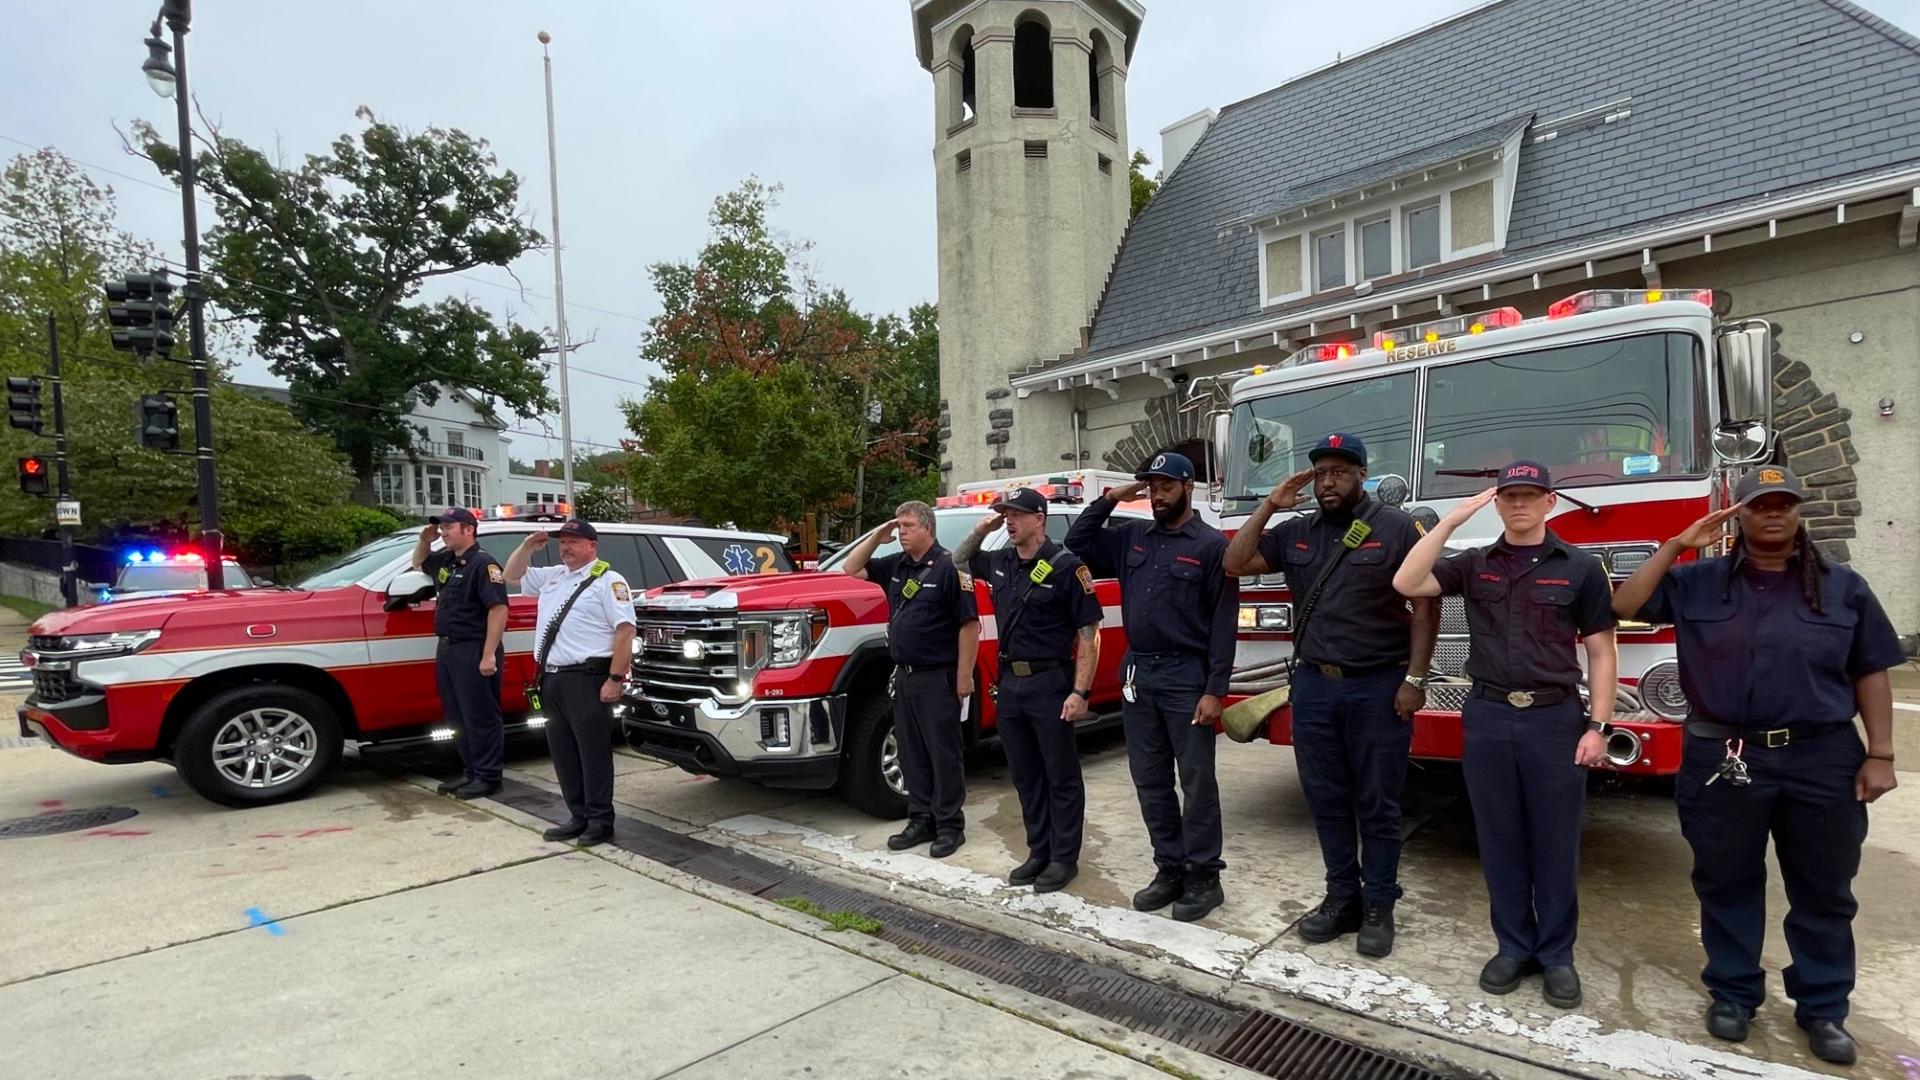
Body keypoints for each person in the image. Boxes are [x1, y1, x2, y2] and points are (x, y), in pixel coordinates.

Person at [1609, 465, 1901, 1066]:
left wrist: (1881, 754)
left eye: (1784, 504)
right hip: (1725, 754)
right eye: (1760, 504)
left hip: (1821, 756)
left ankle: (1823, 1007)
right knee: (1726, 879)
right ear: (1737, 515)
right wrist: (1674, 545)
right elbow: (1623, 604)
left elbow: (1870, 669)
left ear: (1798, 513)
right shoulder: (1698, 583)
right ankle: (1735, 992)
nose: (1773, 513)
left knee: (1823, 887)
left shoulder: (1844, 587)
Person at [1392, 461, 1615, 1009]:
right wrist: (1449, 521)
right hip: (1489, 715)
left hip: (1553, 718)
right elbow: (1407, 580)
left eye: (1530, 496)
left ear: (1549, 503)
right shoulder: (1473, 565)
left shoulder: (1582, 568)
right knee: (1499, 837)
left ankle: (1557, 955)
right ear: (1498, 503)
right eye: (1510, 496)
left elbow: (1602, 651)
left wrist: (1599, 727)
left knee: (1556, 842)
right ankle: (1513, 946)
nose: (1520, 504)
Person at [1223, 433, 1439, 958]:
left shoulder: (1396, 527)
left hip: (1378, 686)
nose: (1328, 482)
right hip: (1316, 687)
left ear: (1362, 475)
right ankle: (1342, 896)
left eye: (1340, 472)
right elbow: (1235, 562)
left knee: (1379, 803)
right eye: (1321, 473)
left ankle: (1378, 905)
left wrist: (1416, 678)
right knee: (1326, 799)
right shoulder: (1298, 531)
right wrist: (1270, 505)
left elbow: (1426, 606)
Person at [1066, 452, 1239, 922]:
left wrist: (1214, 689)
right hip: (1139, 673)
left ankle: (1204, 877)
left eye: (1166, 486)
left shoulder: (1209, 546)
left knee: (1197, 780)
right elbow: (1077, 540)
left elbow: (1224, 623)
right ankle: (1170, 868)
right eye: (1151, 486)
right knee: (1150, 779)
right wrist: (1113, 497)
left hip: (1187, 676)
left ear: (1187, 488)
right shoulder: (1132, 537)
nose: (1157, 494)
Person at [954, 487, 1103, 893]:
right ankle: (1038, 851)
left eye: (1017, 514)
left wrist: (1081, 692)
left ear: (1040, 518)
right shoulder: (1002, 561)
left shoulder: (1067, 567)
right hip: (1011, 685)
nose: (1010, 520)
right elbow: (959, 558)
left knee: (1061, 776)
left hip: (1050, 682)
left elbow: (1088, 633)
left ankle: (1063, 858)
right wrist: (983, 527)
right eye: (1006, 515)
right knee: (1025, 775)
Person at [840, 500, 981, 858]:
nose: (900, 532)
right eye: (898, 526)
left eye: (907, 526)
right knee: (910, 752)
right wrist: (878, 535)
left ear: (927, 529)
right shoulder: (897, 565)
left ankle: (950, 824)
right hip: (904, 676)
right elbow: (850, 567)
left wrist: (964, 677)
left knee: (942, 753)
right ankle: (920, 818)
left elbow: (969, 627)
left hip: (938, 677)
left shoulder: (951, 566)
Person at [502, 519, 637, 849]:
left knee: (592, 753)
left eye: (574, 542)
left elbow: (625, 631)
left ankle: (600, 819)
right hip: (552, 677)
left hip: (587, 678)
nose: (566, 548)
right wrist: (527, 546)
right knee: (563, 752)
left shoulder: (608, 581)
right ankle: (577, 815)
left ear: (592, 546)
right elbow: (511, 575)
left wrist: (615, 679)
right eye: (563, 542)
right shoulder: (554, 577)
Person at [411, 507, 510, 800]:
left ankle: (488, 775)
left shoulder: (483, 564)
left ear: (468, 529)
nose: (442, 531)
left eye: (448, 527)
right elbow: (419, 563)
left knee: (479, 714)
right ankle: (471, 772)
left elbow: (499, 608)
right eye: (441, 527)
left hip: (474, 647)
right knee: (457, 715)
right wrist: (425, 541)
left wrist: (488, 654)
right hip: (449, 648)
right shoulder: (448, 561)